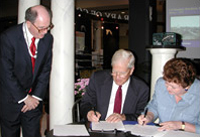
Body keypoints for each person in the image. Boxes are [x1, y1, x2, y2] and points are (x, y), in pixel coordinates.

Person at [0, 5, 53, 137]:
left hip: (34, 101)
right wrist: (24, 98)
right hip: (11, 100)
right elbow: (6, 73)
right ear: (29, 23)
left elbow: (45, 71)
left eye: (48, 26)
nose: (46, 31)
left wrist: (35, 97)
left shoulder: (47, 39)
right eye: (41, 28)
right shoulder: (8, 38)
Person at [80, 49, 149, 123]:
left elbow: (141, 115)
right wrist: (89, 113)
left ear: (131, 70)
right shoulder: (98, 79)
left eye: (122, 73)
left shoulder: (141, 88)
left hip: (125, 129)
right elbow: (86, 103)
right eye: (114, 72)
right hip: (99, 126)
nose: (117, 77)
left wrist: (123, 117)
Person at [138, 58, 200, 134]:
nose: (168, 88)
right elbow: (154, 106)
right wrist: (148, 117)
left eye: (173, 87)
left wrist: (181, 125)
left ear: (187, 86)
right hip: (162, 134)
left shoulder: (197, 94)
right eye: (166, 83)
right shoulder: (160, 84)